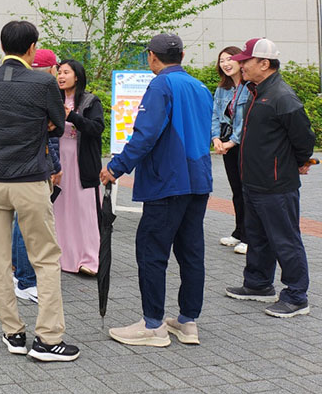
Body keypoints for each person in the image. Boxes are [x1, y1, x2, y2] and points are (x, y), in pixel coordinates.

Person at [0, 20, 79, 362]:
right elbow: (57, 125)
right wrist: (42, 121)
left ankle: (13, 334)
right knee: (45, 259)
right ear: (33, 48)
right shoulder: (43, 82)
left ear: (2, 45)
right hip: (29, 179)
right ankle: (48, 339)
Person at [101, 34, 213, 347]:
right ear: (182, 56)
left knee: (151, 252)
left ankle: (153, 325)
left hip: (167, 181)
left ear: (151, 56)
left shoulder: (160, 85)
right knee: (191, 252)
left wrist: (116, 167)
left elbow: (145, 134)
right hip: (198, 179)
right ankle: (188, 322)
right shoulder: (201, 87)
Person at [225, 38, 315, 318]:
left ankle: (297, 296)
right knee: (257, 236)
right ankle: (258, 284)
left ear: (264, 63)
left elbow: (304, 139)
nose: (241, 65)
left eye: (246, 61)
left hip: (276, 184)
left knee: (284, 239)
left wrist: (299, 162)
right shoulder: (256, 91)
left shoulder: (282, 96)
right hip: (254, 181)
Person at [7, 49, 64, 303]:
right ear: (52, 69)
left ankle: (18, 273)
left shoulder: (18, 87)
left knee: (19, 220)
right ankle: (26, 280)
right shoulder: (45, 89)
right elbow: (50, 134)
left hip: (13, 164)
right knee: (30, 224)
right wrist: (55, 166)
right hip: (34, 166)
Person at [54, 59, 105, 275]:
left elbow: (96, 128)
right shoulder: (53, 99)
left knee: (85, 212)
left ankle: (90, 260)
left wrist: (72, 116)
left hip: (82, 163)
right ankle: (61, 257)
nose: (61, 76)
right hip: (59, 162)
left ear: (77, 76)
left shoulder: (90, 101)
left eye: (66, 72)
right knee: (60, 210)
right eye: (59, 72)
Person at [211, 46, 251, 254]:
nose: (225, 64)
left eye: (229, 59)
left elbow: (246, 120)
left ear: (240, 61)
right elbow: (215, 115)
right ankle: (239, 231)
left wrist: (233, 141)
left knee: (247, 191)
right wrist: (216, 138)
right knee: (236, 190)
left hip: (245, 145)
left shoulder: (250, 87)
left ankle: (250, 237)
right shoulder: (222, 88)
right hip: (228, 144)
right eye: (222, 60)